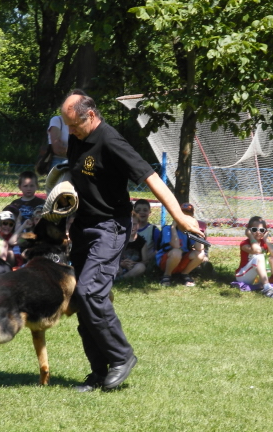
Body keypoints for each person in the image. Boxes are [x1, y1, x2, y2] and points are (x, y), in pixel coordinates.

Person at [61, 90, 204, 392]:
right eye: (67, 125)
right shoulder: (77, 136)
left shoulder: (111, 141)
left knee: (90, 293)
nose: (69, 132)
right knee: (83, 302)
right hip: (83, 228)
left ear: (90, 116)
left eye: (73, 125)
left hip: (109, 228)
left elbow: (152, 178)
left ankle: (122, 357)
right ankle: (98, 373)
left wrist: (178, 216)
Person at [235, 216, 273, 298]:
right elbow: (257, 250)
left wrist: (266, 241)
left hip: (259, 277)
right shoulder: (244, 243)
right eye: (254, 229)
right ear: (249, 230)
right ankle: (267, 288)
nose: (258, 232)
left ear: (265, 232)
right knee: (259, 257)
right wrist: (251, 237)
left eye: (261, 230)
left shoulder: (264, 243)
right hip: (243, 277)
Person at [156, 202, 205, 287]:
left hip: (181, 261)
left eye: (188, 216)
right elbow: (176, 246)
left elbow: (199, 248)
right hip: (166, 261)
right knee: (176, 251)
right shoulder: (167, 229)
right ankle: (166, 275)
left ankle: (184, 274)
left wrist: (197, 230)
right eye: (183, 216)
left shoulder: (190, 232)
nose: (185, 219)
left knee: (201, 254)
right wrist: (173, 227)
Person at [116, 212, 148, 281]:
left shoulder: (142, 242)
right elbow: (114, 257)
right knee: (115, 268)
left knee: (141, 267)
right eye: (129, 224)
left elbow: (145, 261)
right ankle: (120, 276)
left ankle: (122, 278)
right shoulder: (120, 239)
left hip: (133, 267)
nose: (132, 227)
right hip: (121, 266)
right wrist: (122, 263)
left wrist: (135, 263)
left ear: (138, 225)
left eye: (134, 224)